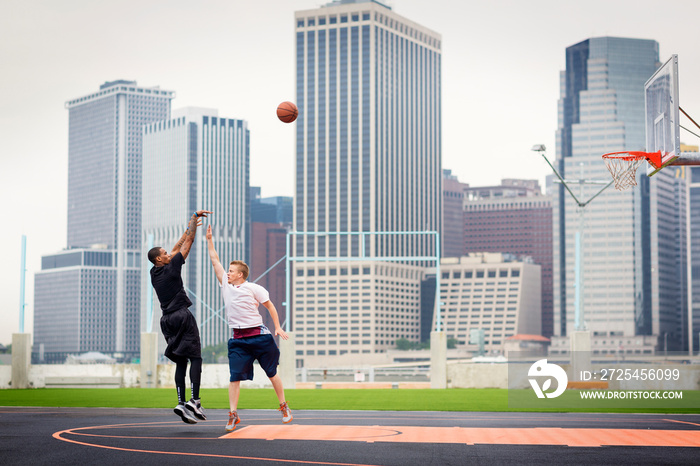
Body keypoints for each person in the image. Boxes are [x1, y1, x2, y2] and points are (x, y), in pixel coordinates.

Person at [205, 224, 292, 432]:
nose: (227, 273)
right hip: (238, 340)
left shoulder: (254, 288)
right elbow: (214, 260)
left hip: (260, 337)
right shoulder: (225, 286)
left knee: (272, 373)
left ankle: (283, 406)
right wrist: (209, 239)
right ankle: (233, 414)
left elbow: (270, 305)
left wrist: (278, 327)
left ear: (241, 275)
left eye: (232, 271)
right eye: (228, 270)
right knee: (234, 377)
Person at [148, 210, 212, 424]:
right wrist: (193, 221)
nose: (169, 254)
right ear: (160, 258)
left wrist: (188, 226)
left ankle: (181, 403)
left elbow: (176, 248)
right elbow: (188, 243)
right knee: (196, 358)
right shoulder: (173, 268)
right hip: (181, 316)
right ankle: (194, 400)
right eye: (165, 253)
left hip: (166, 320)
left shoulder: (154, 273)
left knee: (181, 363)